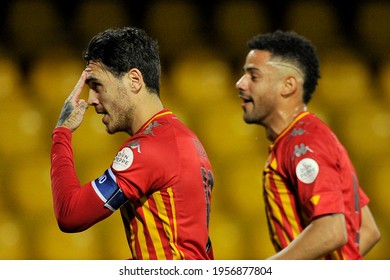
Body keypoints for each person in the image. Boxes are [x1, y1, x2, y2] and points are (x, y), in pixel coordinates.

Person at [50, 27, 214, 260]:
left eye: (97, 85)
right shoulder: (183, 138)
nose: (91, 101)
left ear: (134, 80)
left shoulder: (150, 148)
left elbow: (70, 214)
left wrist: (62, 133)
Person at [235, 30, 381, 260]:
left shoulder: (303, 145)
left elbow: (332, 231)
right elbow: (367, 230)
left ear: (288, 86)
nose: (240, 84)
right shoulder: (309, 137)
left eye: (253, 76)